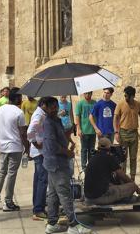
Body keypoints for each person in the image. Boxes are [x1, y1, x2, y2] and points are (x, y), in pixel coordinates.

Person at [42, 96, 94, 234]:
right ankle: (73, 224)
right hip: (56, 163)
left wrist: (70, 129)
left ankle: (52, 223)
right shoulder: (47, 123)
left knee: (53, 194)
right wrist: (67, 153)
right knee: (65, 194)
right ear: (45, 108)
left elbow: (62, 136)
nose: (54, 109)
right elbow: (53, 146)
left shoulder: (56, 120)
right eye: (51, 107)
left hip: (56, 163)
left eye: (56, 106)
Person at [0, 88, 28, 211]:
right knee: (11, 174)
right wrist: (27, 147)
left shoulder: (0, 110)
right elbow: (22, 133)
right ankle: (8, 202)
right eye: (20, 97)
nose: (21, 99)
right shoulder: (19, 112)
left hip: (3, 145)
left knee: (2, 172)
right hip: (15, 146)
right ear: (17, 98)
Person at [84, 138, 140, 205]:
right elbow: (123, 176)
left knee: (112, 185)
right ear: (109, 148)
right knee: (132, 186)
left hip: (88, 197)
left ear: (98, 147)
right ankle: (121, 198)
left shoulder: (92, 158)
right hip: (99, 198)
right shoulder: (109, 158)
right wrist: (136, 187)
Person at [27, 97, 51, 220]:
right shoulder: (39, 115)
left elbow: (38, 130)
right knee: (43, 180)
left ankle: (37, 205)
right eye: (51, 106)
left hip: (39, 152)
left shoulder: (41, 114)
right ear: (44, 105)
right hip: (40, 152)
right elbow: (30, 131)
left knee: (38, 179)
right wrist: (36, 143)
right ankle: (38, 209)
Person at [114, 86, 140, 181]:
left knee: (133, 157)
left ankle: (132, 178)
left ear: (133, 96)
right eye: (125, 96)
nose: (125, 98)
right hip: (123, 133)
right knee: (123, 158)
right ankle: (123, 178)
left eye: (127, 96)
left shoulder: (138, 105)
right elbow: (115, 118)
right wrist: (116, 132)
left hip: (134, 133)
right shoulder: (120, 104)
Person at [75, 92, 97, 169]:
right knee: (84, 150)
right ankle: (84, 167)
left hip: (92, 131)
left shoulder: (95, 103)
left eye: (89, 93)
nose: (87, 95)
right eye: (86, 93)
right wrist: (79, 129)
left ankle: (90, 166)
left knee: (92, 150)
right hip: (84, 131)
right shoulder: (80, 104)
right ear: (84, 94)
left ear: (91, 94)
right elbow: (77, 117)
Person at [58, 96, 76, 176]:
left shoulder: (69, 104)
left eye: (65, 97)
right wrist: (60, 114)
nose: (63, 98)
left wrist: (73, 124)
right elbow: (56, 115)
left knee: (66, 143)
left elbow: (71, 114)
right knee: (62, 144)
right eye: (62, 97)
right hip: (60, 126)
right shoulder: (57, 104)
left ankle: (65, 161)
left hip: (68, 125)